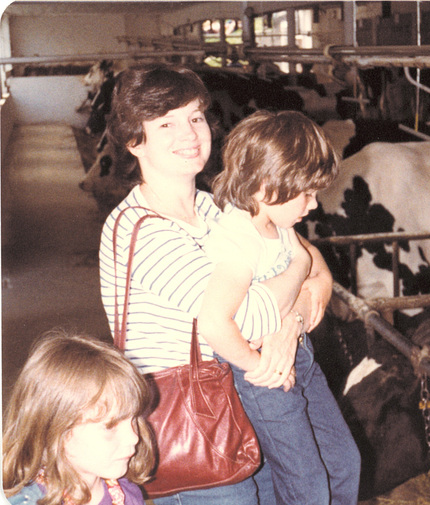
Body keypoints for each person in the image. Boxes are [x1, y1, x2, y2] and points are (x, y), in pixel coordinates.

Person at [98, 63, 348, 505]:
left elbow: (320, 272)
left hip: (238, 407)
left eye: (195, 117)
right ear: (134, 140)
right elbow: (249, 315)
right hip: (194, 423)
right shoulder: (138, 230)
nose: (190, 134)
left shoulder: (214, 207)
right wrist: (297, 269)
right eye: (166, 123)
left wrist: (292, 315)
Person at [199, 109, 360, 504]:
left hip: (301, 360)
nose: (314, 205)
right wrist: (259, 368)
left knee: (345, 464)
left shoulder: (279, 225)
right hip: (265, 379)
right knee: (307, 486)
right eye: (306, 193)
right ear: (266, 185)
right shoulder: (238, 243)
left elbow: (314, 271)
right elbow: (214, 322)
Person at [2, 330, 154, 505]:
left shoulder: (126, 493)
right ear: (55, 429)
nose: (134, 437)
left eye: (134, 419)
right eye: (110, 426)